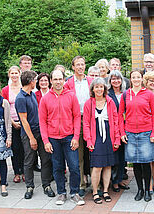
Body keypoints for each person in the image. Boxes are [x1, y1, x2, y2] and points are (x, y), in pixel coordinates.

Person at [39, 69, 84, 206]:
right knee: (58, 167)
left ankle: (75, 192)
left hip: (69, 137)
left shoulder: (71, 96)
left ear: (64, 80)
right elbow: (42, 121)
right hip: (53, 139)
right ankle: (61, 193)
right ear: (51, 81)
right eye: (55, 79)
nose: (58, 82)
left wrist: (76, 137)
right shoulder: (45, 98)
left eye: (60, 79)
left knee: (74, 166)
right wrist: (45, 141)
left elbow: (77, 117)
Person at [119, 69, 154, 202]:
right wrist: (122, 132)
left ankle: (148, 190)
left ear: (142, 79)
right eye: (133, 77)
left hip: (146, 133)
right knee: (135, 163)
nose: (136, 79)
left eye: (138, 77)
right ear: (130, 79)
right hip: (130, 133)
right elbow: (120, 115)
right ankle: (140, 189)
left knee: (145, 163)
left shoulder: (148, 94)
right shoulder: (126, 94)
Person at [15, 70, 54, 199]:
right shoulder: (20, 98)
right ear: (31, 81)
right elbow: (24, 121)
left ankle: (46, 185)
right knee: (29, 161)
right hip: (28, 134)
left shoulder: (31, 94)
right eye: (35, 80)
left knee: (46, 159)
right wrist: (32, 138)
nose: (36, 82)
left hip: (40, 131)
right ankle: (29, 186)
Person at [83, 77, 120, 204]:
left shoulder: (110, 101)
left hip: (109, 136)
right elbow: (86, 124)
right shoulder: (89, 103)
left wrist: (116, 138)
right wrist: (88, 140)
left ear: (105, 88)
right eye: (96, 87)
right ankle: (95, 191)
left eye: (101, 87)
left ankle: (105, 190)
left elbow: (115, 121)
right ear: (93, 89)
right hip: (95, 137)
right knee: (97, 166)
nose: (99, 89)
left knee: (108, 165)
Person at [64, 56, 93, 197]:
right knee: (78, 155)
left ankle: (96, 183)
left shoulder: (91, 81)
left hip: (91, 120)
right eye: (78, 65)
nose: (81, 67)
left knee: (93, 153)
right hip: (75, 120)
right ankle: (81, 184)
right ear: (73, 67)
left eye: (83, 64)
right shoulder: (68, 83)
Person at [107, 70, 130, 192]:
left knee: (123, 156)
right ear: (110, 81)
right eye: (113, 79)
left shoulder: (126, 93)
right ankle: (114, 181)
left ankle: (120, 178)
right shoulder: (108, 94)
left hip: (126, 127)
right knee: (115, 155)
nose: (116, 81)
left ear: (122, 80)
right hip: (113, 128)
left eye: (118, 79)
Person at [1, 66, 24, 183]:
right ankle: (16, 172)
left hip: (24, 122)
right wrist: (12, 122)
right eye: (12, 73)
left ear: (20, 74)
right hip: (11, 122)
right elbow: (4, 108)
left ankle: (24, 171)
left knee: (24, 148)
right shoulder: (5, 90)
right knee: (15, 148)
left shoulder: (23, 88)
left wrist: (23, 121)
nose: (14, 75)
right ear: (9, 75)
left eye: (16, 73)